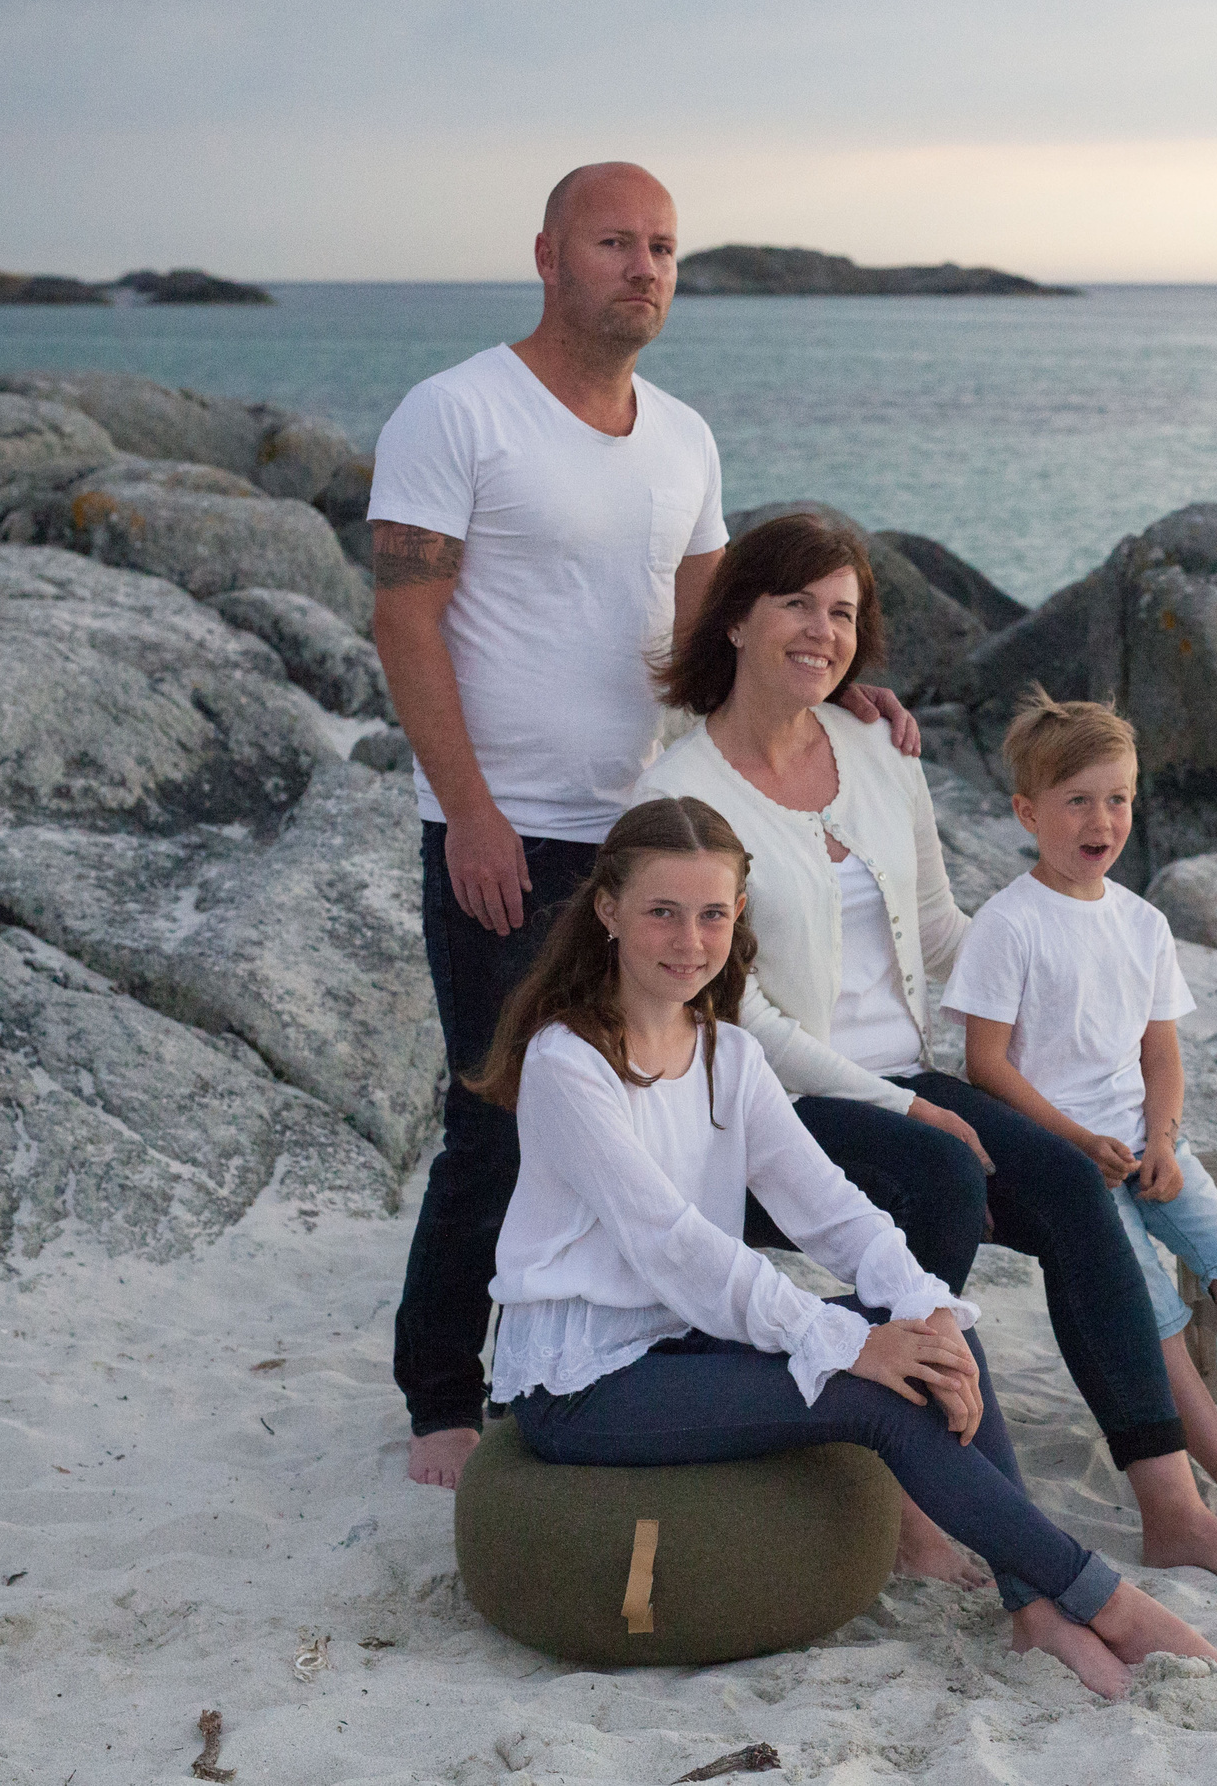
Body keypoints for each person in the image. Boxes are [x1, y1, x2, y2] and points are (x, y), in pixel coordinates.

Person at [367, 162, 917, 1489]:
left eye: (663, 247)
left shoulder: (684, 437)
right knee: (499, 1114)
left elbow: (712, 632)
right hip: (508, 832)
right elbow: (405, 617)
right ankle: (443, 1390)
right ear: (548, 254)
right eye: (615, 242)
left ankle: (649, 1343)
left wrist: (833, 688)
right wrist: (472, 816)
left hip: (648, 838)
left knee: (680, 1105)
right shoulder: (457, 412)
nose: (643, 267)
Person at [631, 512, 1217, 1592]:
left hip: (913, 1082)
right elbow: (737, 1011)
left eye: (843, 612)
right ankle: (922, 1481)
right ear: (738, 618)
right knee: (938, 1169)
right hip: (769, 1107)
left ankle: (1170, 1502)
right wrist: (906, 1108)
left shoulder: (878, 752)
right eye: (798, 603)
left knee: (1070, 1182)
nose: (822, 629)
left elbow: (947, 932)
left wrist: (1063, 996)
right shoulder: (683, 791)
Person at [471, 794, 1217, 1698]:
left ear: (737, 917)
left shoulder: (728, 1052)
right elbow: (674, 1248)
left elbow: (830, 1207)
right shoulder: (570, 1063)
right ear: (608, 912)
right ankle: (1105, 1602)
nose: (689, 940)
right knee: (876, 1393)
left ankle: (1034, 1610)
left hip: (680, 1337)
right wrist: (850, 1343)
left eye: (712, 913)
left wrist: (921, 1307)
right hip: (586, 1377)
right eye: (662, 913)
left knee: (941, 1336)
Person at [944, 692, 1217, 1549]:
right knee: (1148, 1307)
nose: (1102, 820)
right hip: (1060, 1153)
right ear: (1028, 813)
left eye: (1119, 798)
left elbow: (1161, 1055)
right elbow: (984, 1066)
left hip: (1148, 1142)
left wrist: (1162, 1138)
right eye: (1078, 800)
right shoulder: (1008, 924)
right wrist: (1072, 1139)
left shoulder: (1143, 923)